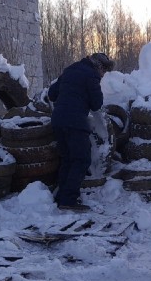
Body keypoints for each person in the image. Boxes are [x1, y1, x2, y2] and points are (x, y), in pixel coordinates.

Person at [48, 52, 114, 211]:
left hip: (58, 120)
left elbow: (52, 93)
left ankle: (62, 197)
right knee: (82, 160)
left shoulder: (71, 69)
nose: (103, 74)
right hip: (75, 122)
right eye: (104, 70)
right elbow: (96, 104)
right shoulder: (92, 75)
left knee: (67, 159)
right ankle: (69, 200)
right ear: (99, 66)